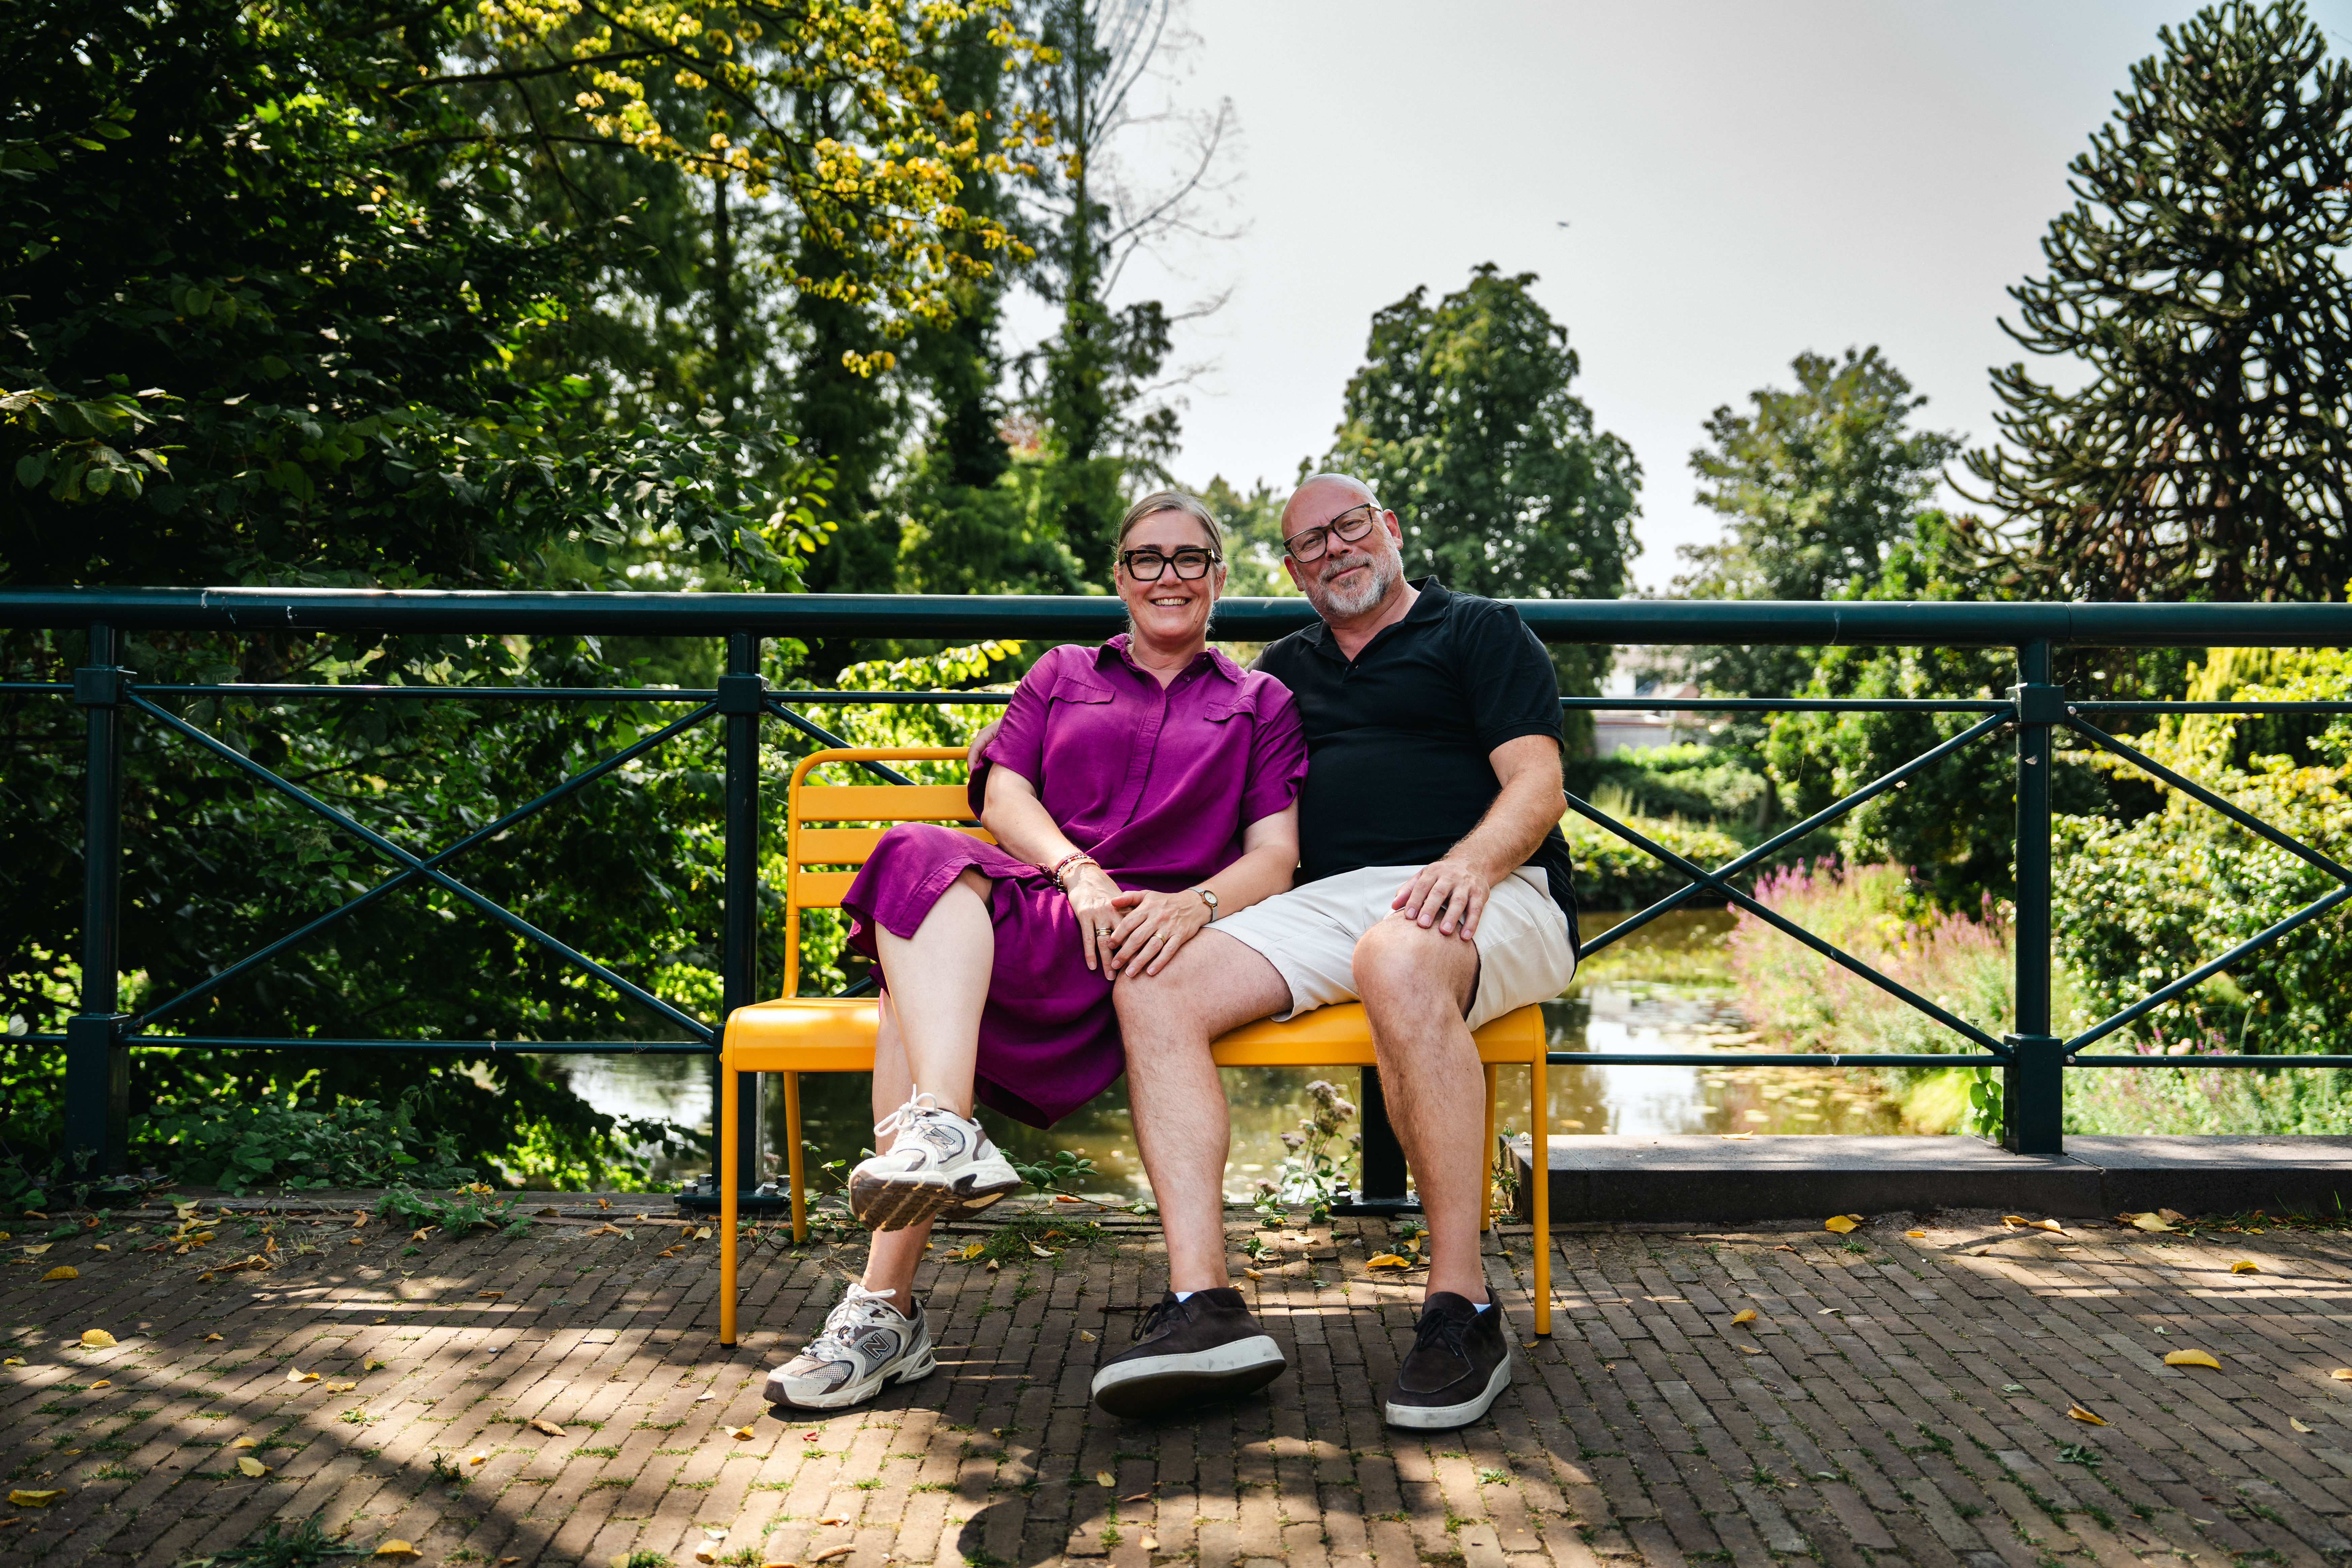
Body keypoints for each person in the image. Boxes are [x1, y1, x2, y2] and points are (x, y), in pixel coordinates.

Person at [762, 490, 1309, 1413]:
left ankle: (883, 1313)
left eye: (1189, 558)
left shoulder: (1261, 701)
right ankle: (945, 1131)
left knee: (908, 995)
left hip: (1154, 948)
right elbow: (1003, 795)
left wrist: (1193, 906)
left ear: (1218, 577)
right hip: (1051, 908)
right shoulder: (1061, 672)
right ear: (1119, 578)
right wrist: (1076, 870)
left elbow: (1276, 854)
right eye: (1146, 558)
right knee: (912, 853)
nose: (1168, 576)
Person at [1082, 472, 1579, 1430]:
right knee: (1154, 979)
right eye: (1309, 543)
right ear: (1290, 570)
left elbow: (1537, 784)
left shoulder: (1480, 630)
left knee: (1396, 958)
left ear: (1388, 528)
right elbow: (1187, 749)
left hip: (1495, 886)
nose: (1334, 550)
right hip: (1329, 901)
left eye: (1348, 527)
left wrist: (1470, 865)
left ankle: (1463, 1307)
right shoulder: (1283, 669)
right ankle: (1201, 1304)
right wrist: (1033, 781)